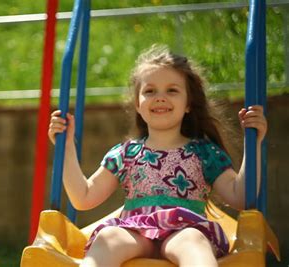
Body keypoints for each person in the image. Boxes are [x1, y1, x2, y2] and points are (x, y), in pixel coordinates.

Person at [47, 45, 267, 267]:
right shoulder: (126, 153)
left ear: (188, 103)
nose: (160, 97)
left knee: (193, 241)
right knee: (108, 237)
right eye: (150, 91)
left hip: (184, 231)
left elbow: (241, 197)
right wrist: (65, 147)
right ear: (137, 104)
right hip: (135, 233)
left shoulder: (204, 153)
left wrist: (254, 143)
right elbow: (83, 197)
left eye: (172, 90)